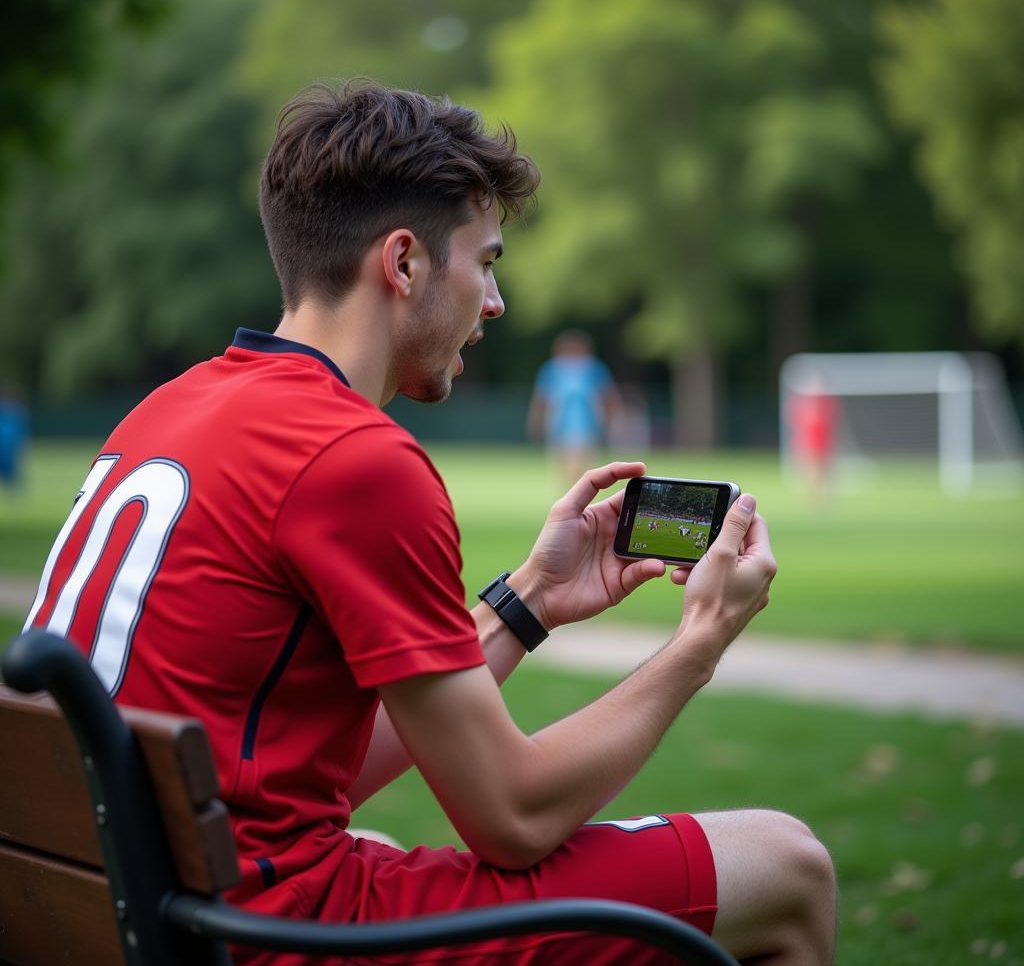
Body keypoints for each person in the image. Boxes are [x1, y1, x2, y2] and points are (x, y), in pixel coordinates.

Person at [21, 81, 835, 965]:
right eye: (484, 261)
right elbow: (514, 818)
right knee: (788, 866)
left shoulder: (168, 410)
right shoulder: (353, 458)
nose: (495, 302)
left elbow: (311, 778)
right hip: (253, 938)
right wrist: (701, 640)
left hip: (118, 915)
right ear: (403, 263)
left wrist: (528, 600)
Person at [527, 329, 621, 488]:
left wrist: (611, 424)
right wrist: (536, 423)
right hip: (559, 428)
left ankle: (579, 501)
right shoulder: (552, 370)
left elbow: (608, 397)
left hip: (588, 427)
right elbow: (541, 400)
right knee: (566, 470)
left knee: (583, 469)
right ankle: (572, 501)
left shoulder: (594, 369)